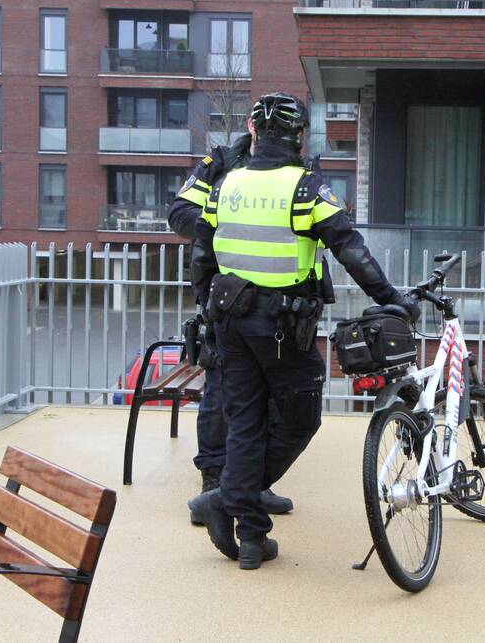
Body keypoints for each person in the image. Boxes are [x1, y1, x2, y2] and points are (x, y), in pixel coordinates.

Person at [190, 92, 418, 569]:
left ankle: (252, 539)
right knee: (299, 418)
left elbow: (202, 254)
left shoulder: (226, 183)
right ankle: (229, 499)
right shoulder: (305, 188)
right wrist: (393, 299)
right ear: (298, 136)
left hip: (230, 321)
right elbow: (350, 249)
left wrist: (206, 309)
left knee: (245, 422)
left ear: (255, 133)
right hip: (281, 326)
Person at [168, 123, 294, 524]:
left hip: (276, 302)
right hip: (226, 296)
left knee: (270, 396)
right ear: (252, 125)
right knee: (221, 390)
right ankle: (213, 484)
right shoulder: (221, 162)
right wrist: (228, 221)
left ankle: (250, 485)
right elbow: (179, 214)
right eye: (268, 123)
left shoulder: (296, 166)